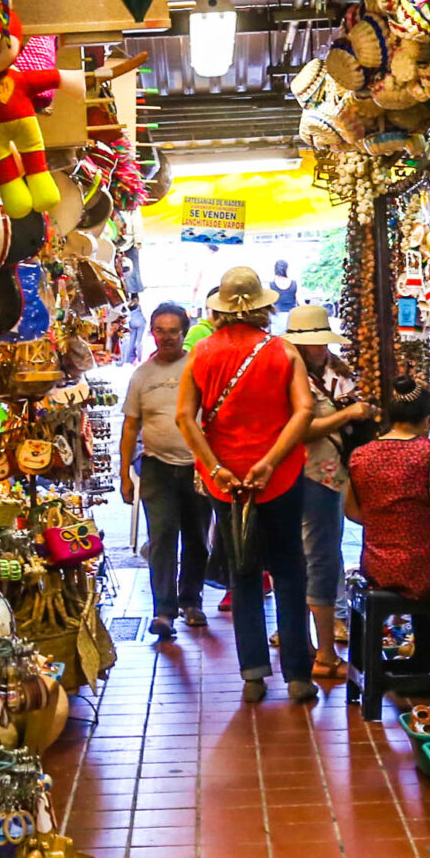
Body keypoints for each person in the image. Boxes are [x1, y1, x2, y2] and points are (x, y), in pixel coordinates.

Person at [177, 264, 316, 702]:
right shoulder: (283, 351)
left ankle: (253, 673)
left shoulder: (201, 352)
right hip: (280, 474)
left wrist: (215, 467)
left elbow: (184, 416)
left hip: (226, 482)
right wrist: (270, 462)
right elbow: (304, 410)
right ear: (262, 306)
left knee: (244, 571)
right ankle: (298, 675)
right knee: (289, 569)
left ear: (219, 308)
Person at [344, 380, 430, 677]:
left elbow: (352, 511)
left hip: (377, 567)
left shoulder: (361, 455)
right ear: (427, 419)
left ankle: (414, 656)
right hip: (425, 569)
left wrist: (385, 523)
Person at [284, 304, 372, 679]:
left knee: (322, 552)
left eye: (322, 341)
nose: (319, 348)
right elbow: (299, 430)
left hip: (333, 472)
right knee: (316, 556)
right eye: (313, 342)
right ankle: (322, 652)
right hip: (305, 473)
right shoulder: (288, 378)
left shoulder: (338, 372)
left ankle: (310, 639)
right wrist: (347, 415)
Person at [119, 303, 211, 635]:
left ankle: (192, 601)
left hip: (198, 467)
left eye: (173, 331)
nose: (167, 337)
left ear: (184, 332)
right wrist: (124, 475)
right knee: (161, 537)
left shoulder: (199, 368)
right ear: (152, 332)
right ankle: (163, 612)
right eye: (160, 330)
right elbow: (130, 426)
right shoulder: (142, 375)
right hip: (156, 466)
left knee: (197, 538)